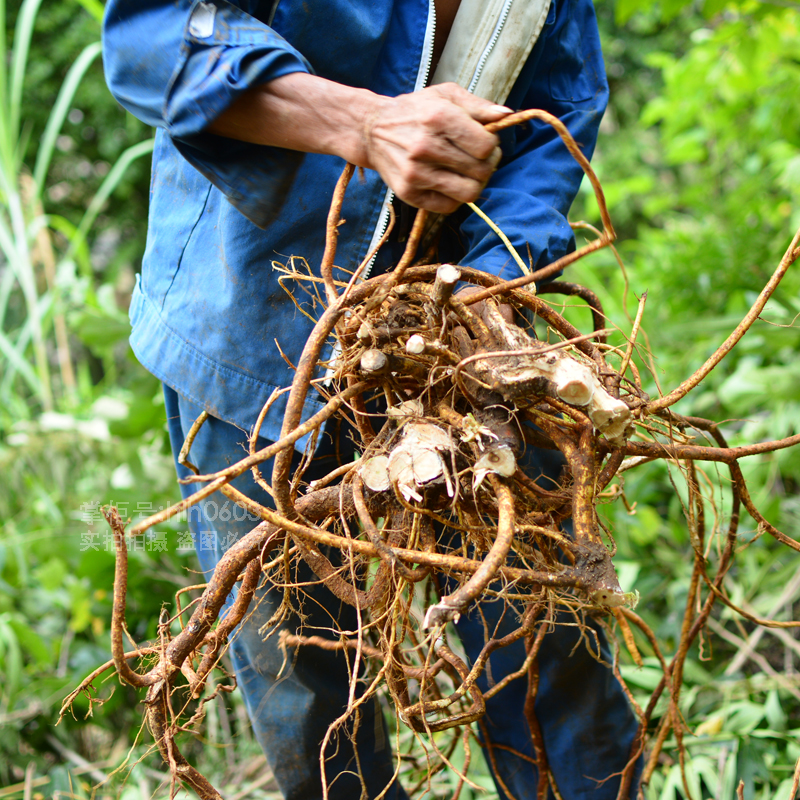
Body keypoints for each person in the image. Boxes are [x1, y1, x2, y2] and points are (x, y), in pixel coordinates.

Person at [102, 1, 641, 798]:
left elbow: (554, 108)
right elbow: (150, 40)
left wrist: (486, 296)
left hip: (466, 340)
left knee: (545, 640)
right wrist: (366, 125)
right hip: (251, 333)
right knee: (305, 684)